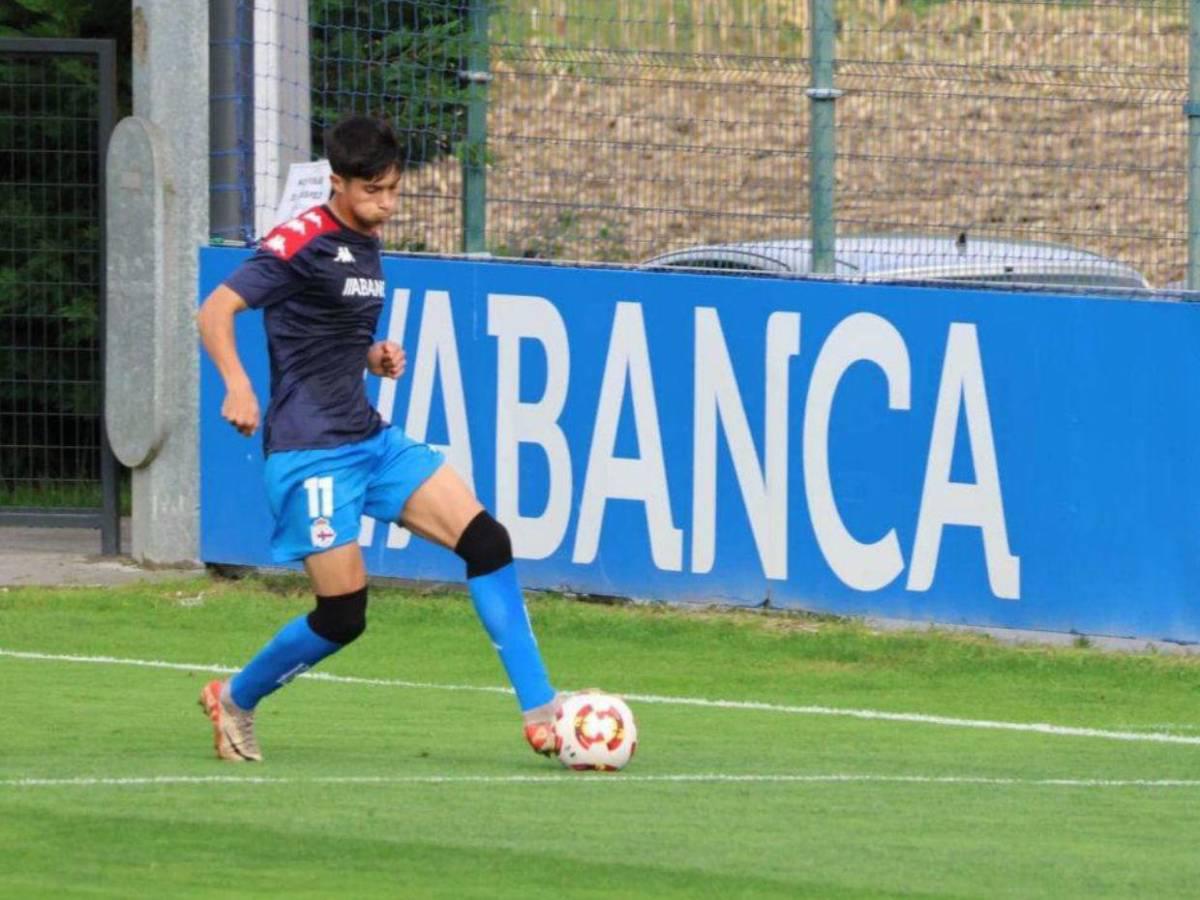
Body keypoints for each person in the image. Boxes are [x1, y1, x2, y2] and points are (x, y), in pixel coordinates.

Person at [195, 115, 562, 762]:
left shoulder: (365, 238)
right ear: (337, 183)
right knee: (343, 615)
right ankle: (235, 698)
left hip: (369, 439)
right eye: (373, 191)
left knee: (486, 540)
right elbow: (216, 308)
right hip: (311, 455)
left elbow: (317, 329)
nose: (386, 204)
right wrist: (236, 383)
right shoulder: (299, 239)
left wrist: (372, 357)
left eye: (394, 190)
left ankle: (542, 710)